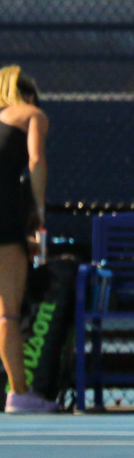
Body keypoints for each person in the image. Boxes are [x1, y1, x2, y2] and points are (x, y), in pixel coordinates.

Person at [0, 66, 53, 414]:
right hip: (4, 217)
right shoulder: (33, 114)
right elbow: (35, 161)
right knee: (7, 313)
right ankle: (19, 393)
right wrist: (39, 210)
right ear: (29, 96)